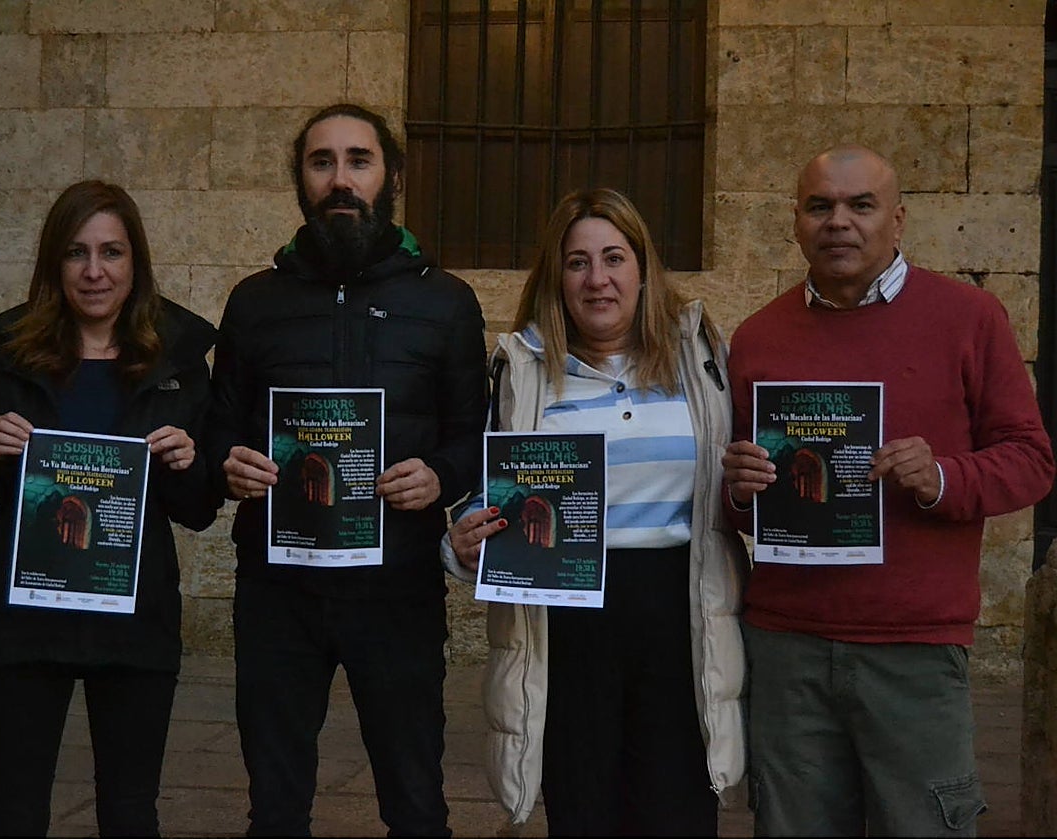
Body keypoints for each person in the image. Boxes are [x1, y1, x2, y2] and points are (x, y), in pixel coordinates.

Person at [722, 144, 1056, 837]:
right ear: (796, 221)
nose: (838, 222)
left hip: (915, 651)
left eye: (859, 205)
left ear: (897, 221)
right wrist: (740, 489)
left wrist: (942, 477)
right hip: (788, 649)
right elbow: (735, 491)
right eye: (820, 206)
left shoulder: (970, 318)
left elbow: (1031, 461)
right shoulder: (758, 337)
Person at [207, 103, 487, 838]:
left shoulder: (446, 302)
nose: (340, 179)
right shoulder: (254, 302)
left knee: (416, 798)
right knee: (274, 801)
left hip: (396, 588)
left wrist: (440, 474)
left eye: (358, 160)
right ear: (299, 179)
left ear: (390, 174)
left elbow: (474, 433)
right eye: (321, 161)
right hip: (277, 588)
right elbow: (220, 428)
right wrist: (227, 464)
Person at [444, 188, 750, 837]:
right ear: (557, 276)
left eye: (614, 257)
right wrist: (463, 541)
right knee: (583, 812)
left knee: (679, 812)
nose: (598, 278)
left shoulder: (700, 359)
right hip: (568, 620)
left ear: (643, 267)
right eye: (578, 262)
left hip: (680, 612)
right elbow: (480, 489)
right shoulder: (522, 370)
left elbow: (735, 481)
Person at [0, 180, 219, 837]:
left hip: (134, 619)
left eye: (112, 253)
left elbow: (200, 508)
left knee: (128, 813)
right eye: (76, 253)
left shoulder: (177, 361)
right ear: (52, 265)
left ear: (135, 263)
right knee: (17, 813)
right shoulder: (9, 354)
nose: (94, 272)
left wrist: (186, 461)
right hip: (25, 622)